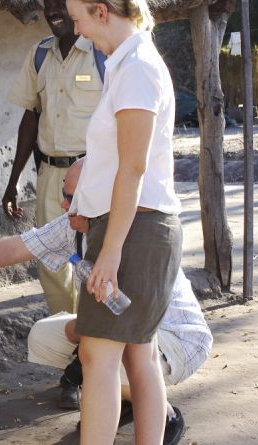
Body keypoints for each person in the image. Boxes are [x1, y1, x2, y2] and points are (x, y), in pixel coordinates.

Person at [0, 160, 206, 445]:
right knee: (50, 338)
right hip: (123, 324)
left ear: (96, 195)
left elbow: (130, 322)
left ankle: (164, 415)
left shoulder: (131, 234)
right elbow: (17, 246)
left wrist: (86, 337)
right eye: (64, 193)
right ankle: (117, 401)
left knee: (109, 357)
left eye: (71, 196)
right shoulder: (76, 223)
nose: (63, 204)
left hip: (175, 339)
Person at [67, 1, 183, 442]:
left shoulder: (135, 66)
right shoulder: (128, 63)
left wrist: (110, 251)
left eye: (77, 17)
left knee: (98, 358)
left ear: (100, 10)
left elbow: (133, 167)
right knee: (140, 356)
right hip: (136, 227)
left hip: (133, 230)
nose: (76, 29)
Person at [3, 0, 106, 321]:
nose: (53, 10)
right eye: (48, 4)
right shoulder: (40, 55)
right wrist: (13, 181)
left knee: (97, 255)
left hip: (94, 176)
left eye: (61, 3)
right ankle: (69, 339)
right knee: (50, 260)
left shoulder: (103, 53)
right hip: (50, 175)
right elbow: (30, 119)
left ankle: (97, 337)